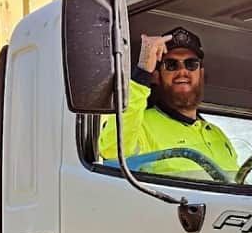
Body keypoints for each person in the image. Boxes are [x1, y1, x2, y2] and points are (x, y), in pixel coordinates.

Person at [98, 26, 239, 180]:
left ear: (201, 74)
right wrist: (142, 71)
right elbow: (113, 151)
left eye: (191, 64)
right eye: (171, 65)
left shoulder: (217, 133)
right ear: (156, 76)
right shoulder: (140, 124)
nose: (182, 71)